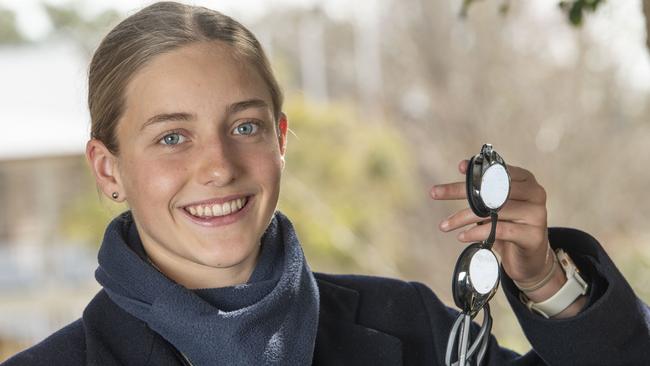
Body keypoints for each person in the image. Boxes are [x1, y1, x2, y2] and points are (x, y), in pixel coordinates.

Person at [3, 2, 649, 365]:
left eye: (245, 127)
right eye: (173, 137)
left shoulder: (413, 329)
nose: (219, 165)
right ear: (107, 168)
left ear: (281, 140)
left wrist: (546, 282)